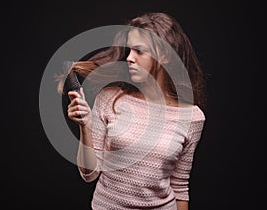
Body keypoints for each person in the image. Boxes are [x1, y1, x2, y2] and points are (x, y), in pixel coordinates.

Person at [57, 12, 206, 210]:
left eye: (139, 51)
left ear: (164, 56)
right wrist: (86, 127)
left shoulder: (193, 118)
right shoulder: (109, 98)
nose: (129, 58)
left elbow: (179, 187)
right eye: (129, 51)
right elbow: (89, 174)